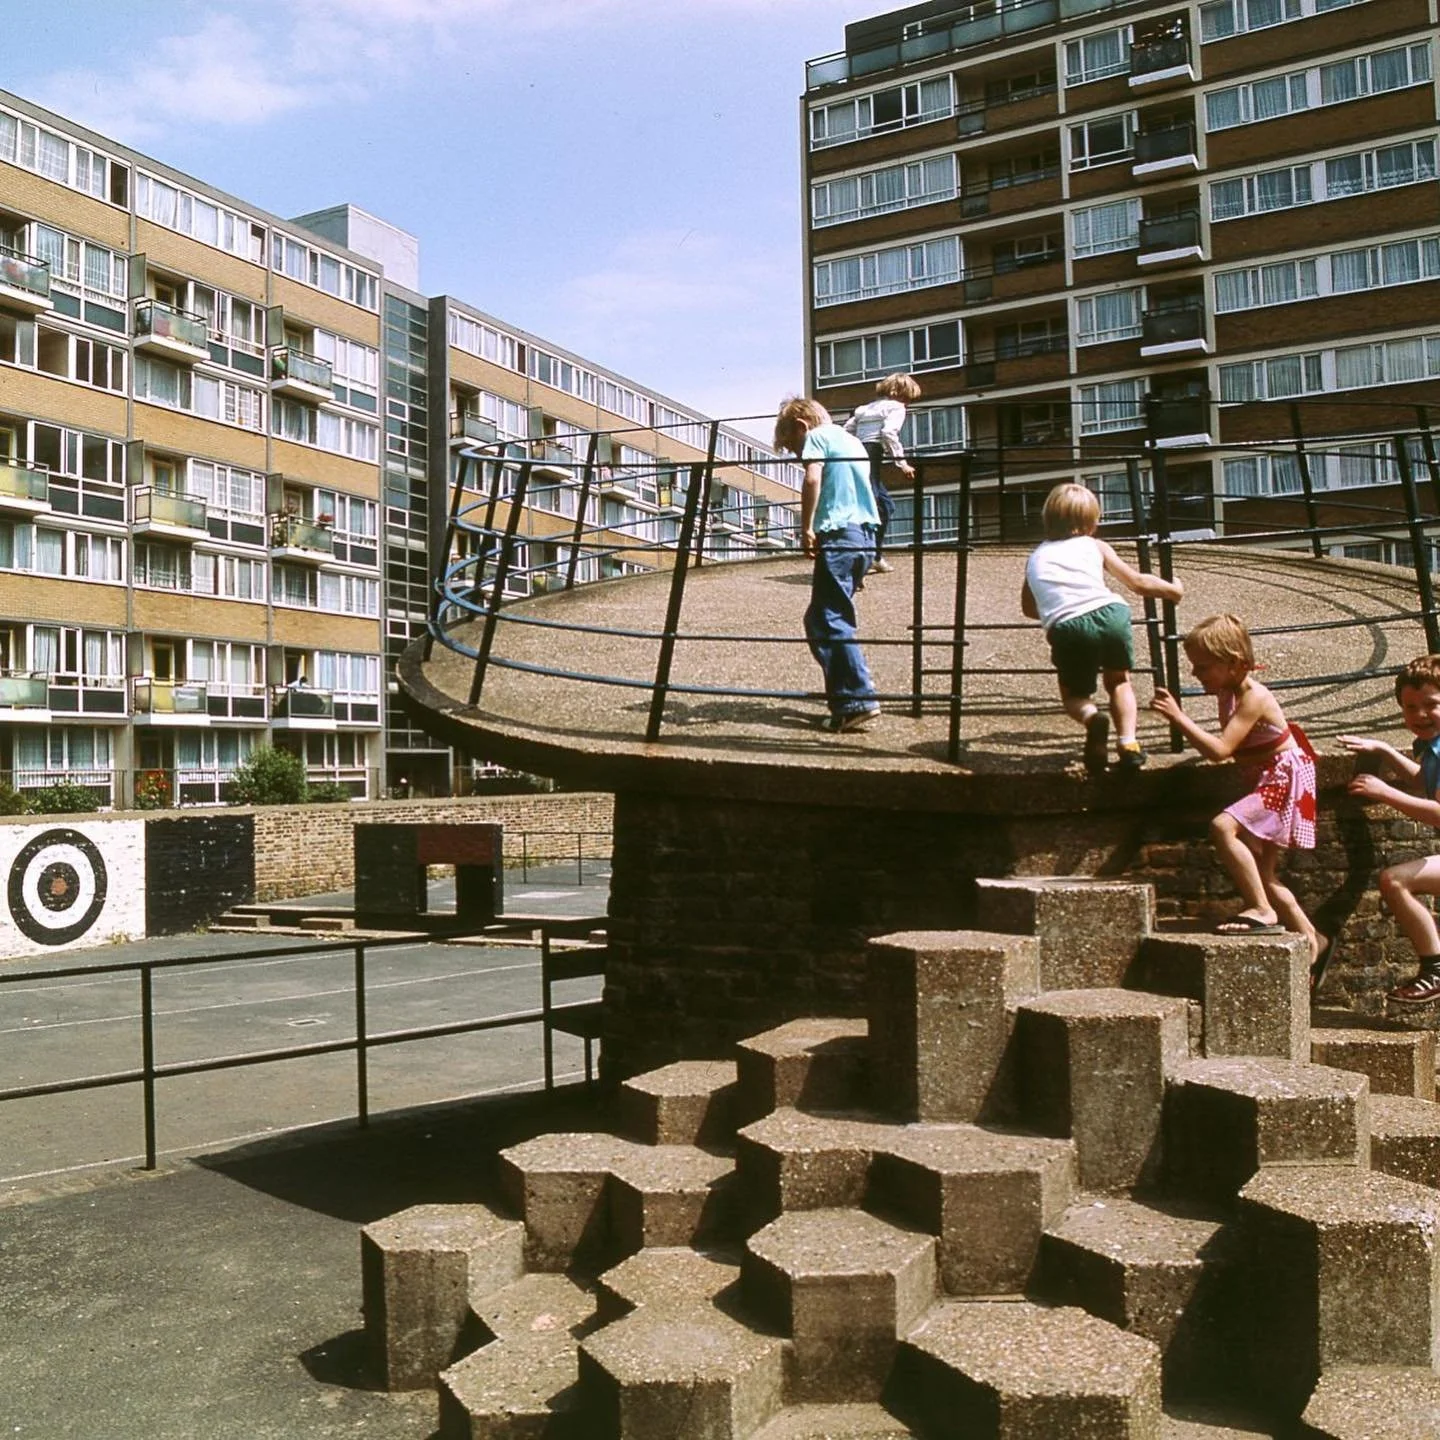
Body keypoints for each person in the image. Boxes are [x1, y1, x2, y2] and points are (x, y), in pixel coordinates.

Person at [1151, 613, 1324, 977]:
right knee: (1264, 873)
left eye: (1203, 667)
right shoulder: (1228, 690)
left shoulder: (1253, 696)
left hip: (1283, 778)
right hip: (1267, 776)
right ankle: (1313, 937)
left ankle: (1261, 910)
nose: (1196, 675)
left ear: (1233, 664)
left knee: (1221, 827)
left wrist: (1178, 718)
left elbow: (1220, 750)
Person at [1022, 482, 1182, 774]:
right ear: (1091, 522)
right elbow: (1138, 582)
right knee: (1119, 681)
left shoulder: (1035, 558)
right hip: (1112, 614)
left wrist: (1057, 607)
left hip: (1068, 626)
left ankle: (1093, 718)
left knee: (1074, 696)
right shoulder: (1095, 546)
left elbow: (1029, 609)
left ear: (1047, 519)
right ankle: (1129, 744)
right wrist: (1173, 590)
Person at [774, 396, 882, 733]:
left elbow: (812, 479)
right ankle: (848, 692)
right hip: (864, 537)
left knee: (828, 619)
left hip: (837, 535)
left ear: (802, 427)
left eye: (793, 446)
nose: (797, 454)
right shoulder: (853, 441)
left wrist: (806, 527)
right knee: (823, 617)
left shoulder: (818, 437)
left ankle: (856, 700)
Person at [1340, 654, 1440, 1004]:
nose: (1420, 715)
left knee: (1396, 879)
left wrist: (1385, 793)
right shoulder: (1432, 748)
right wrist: (1384, 749)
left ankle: (1435, 969)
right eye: (1410, 707)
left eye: (1431, 704)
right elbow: (1423, 781)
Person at [843, 372, 920, 574]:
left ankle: (874, 556)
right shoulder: (896, 407)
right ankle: (863, 560)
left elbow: (847, 430)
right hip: (871, 455)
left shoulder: (864, 409)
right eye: (908, 398)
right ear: (901, 394)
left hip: (856, 454)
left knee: (885, 505)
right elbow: (888, 433)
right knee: (873, 507)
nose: (908, 403)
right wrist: (902, 464)